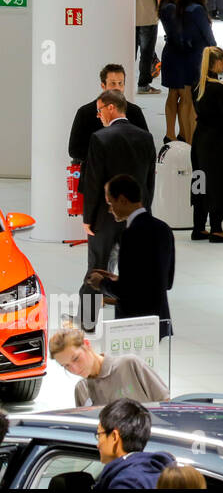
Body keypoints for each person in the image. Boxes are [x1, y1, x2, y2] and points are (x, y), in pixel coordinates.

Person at [79, 90, 156, 331]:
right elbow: (149, 181)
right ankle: (138, 321)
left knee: (98, 268)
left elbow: (94, 183)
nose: (98, 115)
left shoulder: (100, 138)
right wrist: (145, 213)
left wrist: (88, 218)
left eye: (100, 110)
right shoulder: (145, 137)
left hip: (105, 216)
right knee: (137, 270)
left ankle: (88, 321)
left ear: (111, 108)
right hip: (137, 216)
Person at [88, 174, 176, 336]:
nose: (110, 209)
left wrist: (102, 283)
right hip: (159, 318)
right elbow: (166, 282)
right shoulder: (164, 229)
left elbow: (127, 291)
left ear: (122, 200)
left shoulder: (130, 235)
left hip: (134, 321)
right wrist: (118, 279)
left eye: (110, 203)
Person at [51, 325, 169, 407]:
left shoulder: (130, 365)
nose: (74, 369)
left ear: (87, 345)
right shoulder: (82, 390)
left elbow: (166, 404)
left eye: (76, 358)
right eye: (66, 366)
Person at [160, 0, 215, 142]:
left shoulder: (174, 8)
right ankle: (181, 134)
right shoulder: (176, 8)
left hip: (177, 52)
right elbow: (184, 34)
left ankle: (179, 134)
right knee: (183, 95)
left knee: (179, 94)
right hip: (181, 54)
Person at [190, 46, 223, 242]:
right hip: (216, 140)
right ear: (215, 63)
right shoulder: (219, 88)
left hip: (200, 139)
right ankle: (216, 228)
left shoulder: (198, 86)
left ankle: (199, 227)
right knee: (217, 182)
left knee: (200, 182)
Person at [68, 64, 148, 164]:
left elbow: (145, 145)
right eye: (113, 84)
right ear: (103, 85)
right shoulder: (85, 113)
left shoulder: (134, 111)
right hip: (94, 171)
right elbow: (74, 150)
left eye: (120, 83)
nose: (117, 88)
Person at [93, 399, 174, 490]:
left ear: (114, 437)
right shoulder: (157, 474)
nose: (98, 445)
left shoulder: (125, 483)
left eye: (99, 435)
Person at [134, 0, 165, 96]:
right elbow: (161, 0)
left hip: (128, 19)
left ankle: (121, 83)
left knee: (128, 52)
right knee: (146, 54)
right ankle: (143, 85)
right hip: (148, 19)